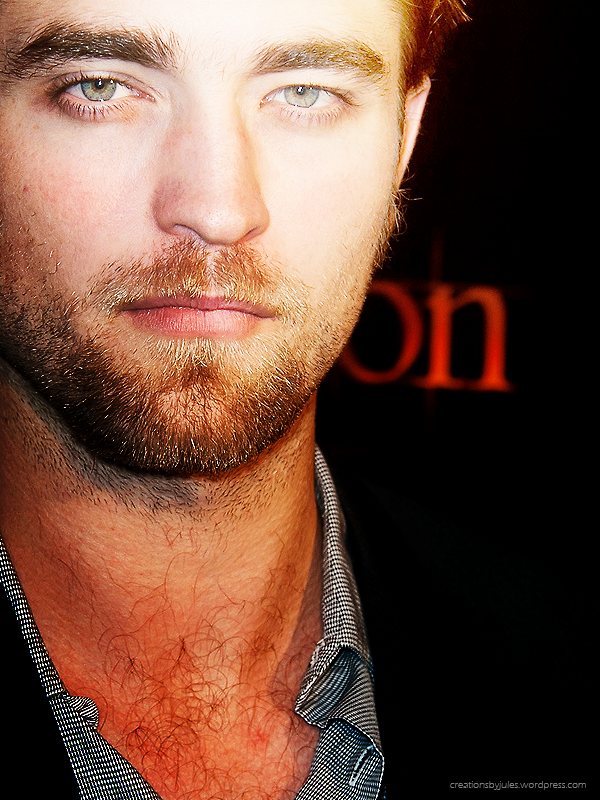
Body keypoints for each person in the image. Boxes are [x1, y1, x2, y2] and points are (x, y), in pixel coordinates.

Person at [0, 1, 588, 798]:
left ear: (405, 138)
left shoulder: (565, 677)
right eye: (99, 86)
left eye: (305, 92)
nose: (219, 211)